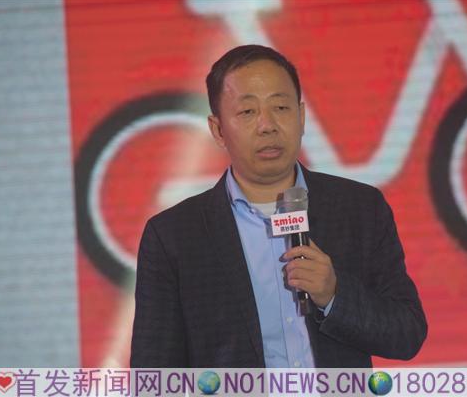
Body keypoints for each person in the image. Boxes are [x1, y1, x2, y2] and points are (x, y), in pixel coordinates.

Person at [130, 45, 427, 368]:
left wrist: (334, 294)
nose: (267, 125)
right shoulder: (174, 236)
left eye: (281, 107)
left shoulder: (359, 209)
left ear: (301, 117)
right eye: (248, 112)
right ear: (218, 130)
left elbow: (407, 333)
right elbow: (153, 375)